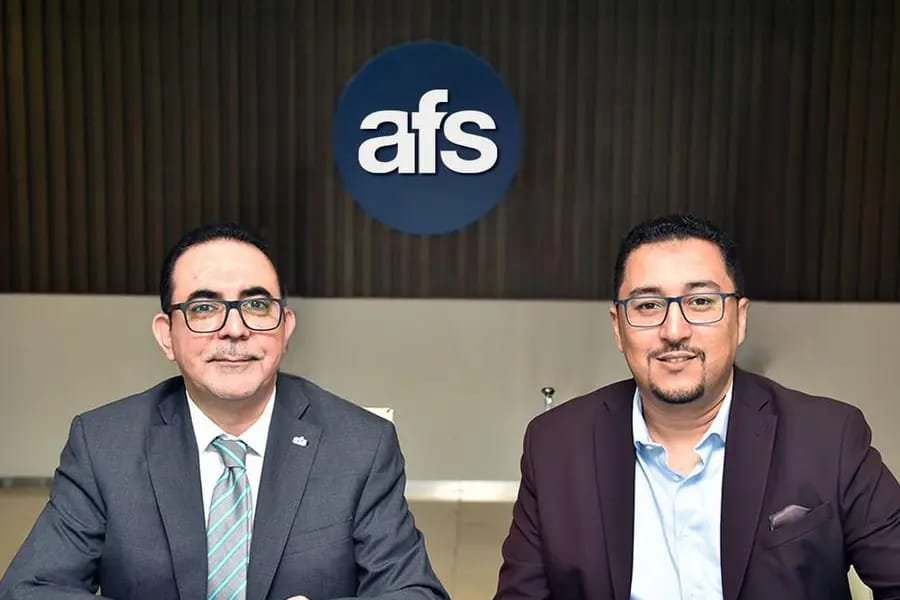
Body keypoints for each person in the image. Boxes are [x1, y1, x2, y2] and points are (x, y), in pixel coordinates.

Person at [0, 223, 448, 600]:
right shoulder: (104, 444)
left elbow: (414, 592)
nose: (234, 329)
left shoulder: (360, 444)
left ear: (286, 328)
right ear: (166, 335)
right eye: (204, 307)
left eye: (257, 305)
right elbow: (30, 589)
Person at [494, 214, 900, 599]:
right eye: (648, 306)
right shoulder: (556, 445)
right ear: (618, 327)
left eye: (701, 301)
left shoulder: (828, 437)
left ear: (740, 319)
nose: (674, 331)